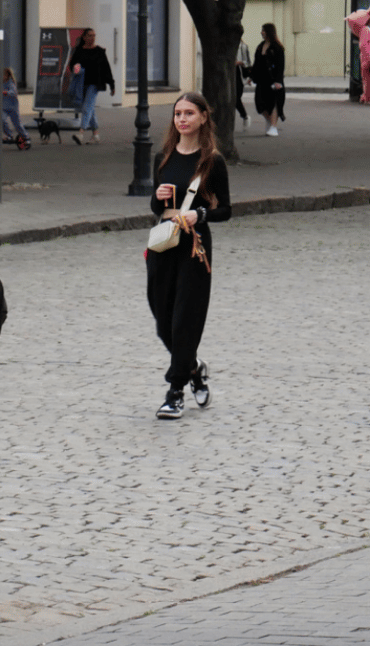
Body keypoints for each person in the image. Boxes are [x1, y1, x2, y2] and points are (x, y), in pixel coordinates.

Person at [147, 93, 231, 420]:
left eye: (189, 113)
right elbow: (156, 207)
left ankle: (175, 392)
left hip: (194, 246)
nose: (182, 119)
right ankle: (193, 367)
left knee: (185, 319)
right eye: (177, 113)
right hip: (164, 242)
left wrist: (201, 214)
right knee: (163, 321)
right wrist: (157, 197)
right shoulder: (163, 157)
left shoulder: (212, 162)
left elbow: (226, 210)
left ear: (203, 117)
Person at [68, 29, 115, 144]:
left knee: (86, 107)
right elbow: (72, 64)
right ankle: (95, 134)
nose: (92, 38)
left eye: (94, 35)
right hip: (81, 83)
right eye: (89, 35)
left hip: (95, 84)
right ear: (84, 37)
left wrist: (111, 84)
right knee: (90, 109)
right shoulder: (79, 51)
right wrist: (75, 67)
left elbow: (106, 68)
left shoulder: (99, 51)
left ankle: (81, 133)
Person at [253, 24, 286, 136]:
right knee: (259, 104)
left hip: (273, 80)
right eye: (261, 30)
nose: (261, 32)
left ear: (269, 31)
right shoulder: (260, 46)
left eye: (263, 30)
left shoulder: (277, 47)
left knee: (273, 103)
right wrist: (251, 77)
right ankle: (269, 121)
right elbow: (256, 63)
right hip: (262, 80)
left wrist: (278, 81)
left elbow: (280, 66)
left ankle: (273, 127)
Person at [348, 4, 370, 104]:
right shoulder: (365, 30)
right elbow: (364, 45)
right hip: (368, 57)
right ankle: (368, 98)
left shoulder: (368, 29)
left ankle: (366, 97)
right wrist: (368, 57)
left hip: (369, 56)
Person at [0, 69, 31, 149]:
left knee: (17, 124)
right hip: (4, 107)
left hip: (13, 108)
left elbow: (14, 92)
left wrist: (6, 92)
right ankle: (9, 135)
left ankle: (26, 137)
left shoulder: (11, 83)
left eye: (3, 75)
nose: (2, 77)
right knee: (2, 120)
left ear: (7, 76)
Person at [235, 33, 252, 128]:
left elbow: (248, 62)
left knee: (236, 98)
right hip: (227, 75)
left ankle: (245, 116)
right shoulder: (224, 45)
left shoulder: (243, 46)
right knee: (231, 99)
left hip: (239, 75)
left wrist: (239, 63)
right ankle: (244, 116)